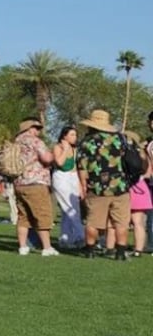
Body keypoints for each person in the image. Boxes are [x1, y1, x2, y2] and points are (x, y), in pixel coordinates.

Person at [77, 109, 131, 260]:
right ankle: (120, 252)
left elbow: (82, 167)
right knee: (120, 222)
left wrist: (83, 186)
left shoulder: (87, 142)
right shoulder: (121, 139)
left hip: (98, 187)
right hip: (121, 186)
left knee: (93, 221)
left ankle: (90, 250)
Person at [12, 118, 58, 256]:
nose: (38, 131)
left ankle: (22, 246)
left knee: (23, 217)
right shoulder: (35, 141)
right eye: (36, 128)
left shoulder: (16, 142)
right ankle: (47, 247)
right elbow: (46, 158)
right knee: (42, 214)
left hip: (19, 183)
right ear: (30, 128)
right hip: (35, 182)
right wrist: (56, 153)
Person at [50, 126, 84, 249]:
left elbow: (75, 168)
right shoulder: (58, 147)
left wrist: (80, 186)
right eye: (71, 135)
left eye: (75, 135)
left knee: (68, 209)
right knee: (71, 208)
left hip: (72, 177)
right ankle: (80, 236)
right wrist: (65, 149)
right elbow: (59, 163)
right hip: (61, 178)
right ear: (64, 136)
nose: (74, 137)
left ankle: (66, 238)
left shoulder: (75, 150)